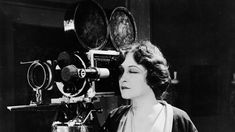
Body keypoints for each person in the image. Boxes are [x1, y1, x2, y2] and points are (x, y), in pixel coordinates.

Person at [100, 40, 198, 132]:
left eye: (133, 71)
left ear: (153, 76)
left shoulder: (178, 119)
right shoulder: (115, 118)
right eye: (122, 71)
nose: (123, 78)